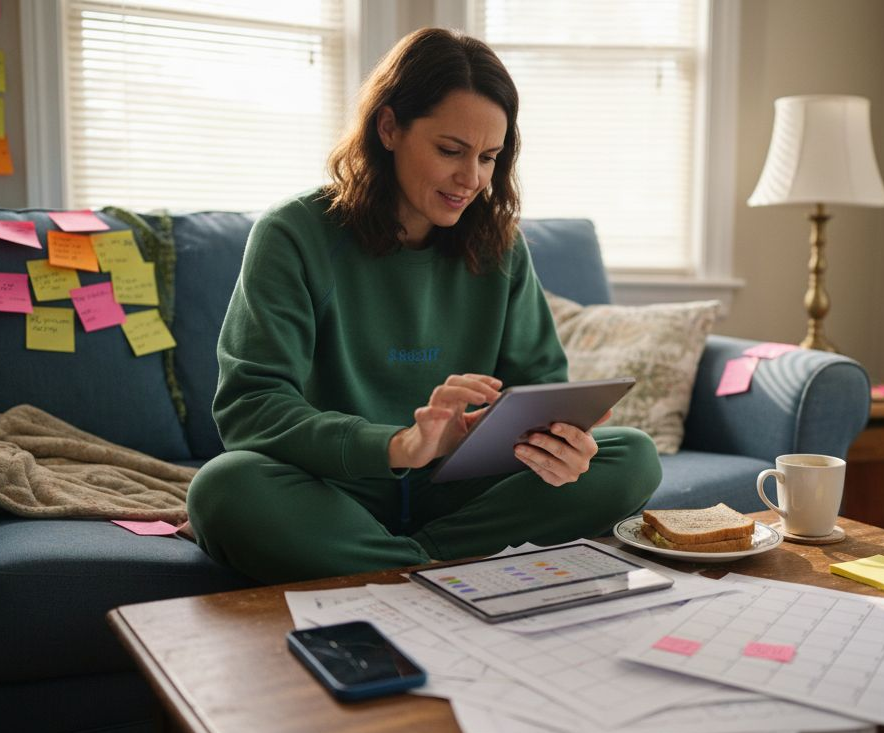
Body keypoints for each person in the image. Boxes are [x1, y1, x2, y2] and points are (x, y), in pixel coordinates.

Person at [186, 28, 661, 583]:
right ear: (388, 128)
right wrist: (397, 444)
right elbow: (252, 406)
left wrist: (559, 447)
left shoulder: (500, 245)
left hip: (459, 493)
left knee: (630, 456)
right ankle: (445, 572)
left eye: (488, 157)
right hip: (335, 489)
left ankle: (409, 567)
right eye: (450, 151)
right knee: (224, 488)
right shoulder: (292, 234)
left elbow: (539, 390)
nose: (472, 179)